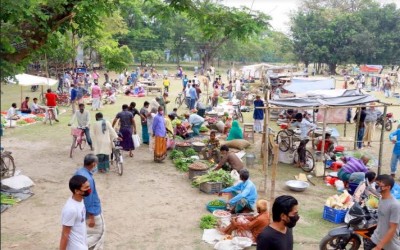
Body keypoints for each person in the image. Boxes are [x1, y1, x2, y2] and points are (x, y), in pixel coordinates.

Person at [74, 154, 104, 249]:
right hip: (92, 212)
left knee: (87, 233)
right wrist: (91, 217)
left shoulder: (78, 172)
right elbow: (88, 199)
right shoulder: (88, 180)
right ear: (94, 164)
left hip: (81, 209)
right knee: (98, 234)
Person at [365, 174, 400, 250]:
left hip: (388, 245)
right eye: (376, 183)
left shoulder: (395, 205)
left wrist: (378, 247)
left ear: (388, 187)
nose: (376, 186)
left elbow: (392, 229)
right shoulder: (381, 199)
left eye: (378, 184)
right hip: (376, 238)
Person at [59, 175, 89, 250]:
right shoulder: (71, 209)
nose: (89, 189)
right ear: (77, 191)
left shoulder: (81, 200)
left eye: (89, 186)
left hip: (82, 244)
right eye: (86, 188)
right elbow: (65, 234)